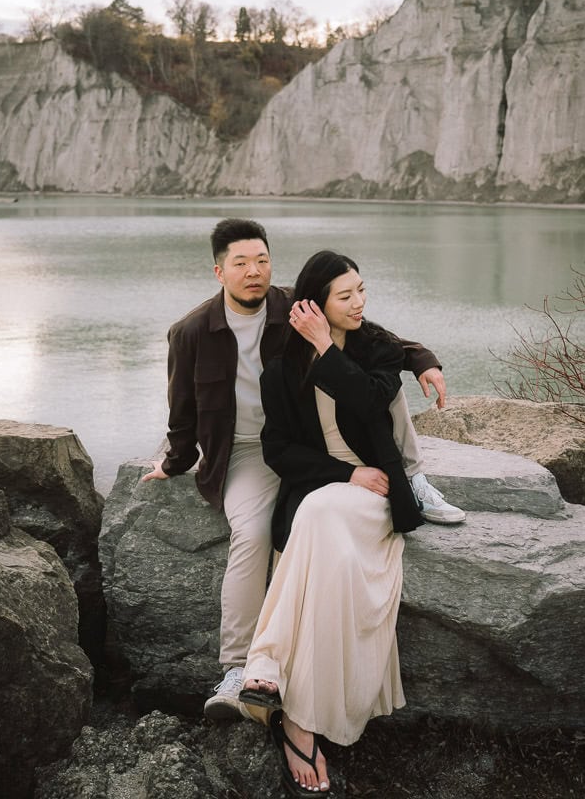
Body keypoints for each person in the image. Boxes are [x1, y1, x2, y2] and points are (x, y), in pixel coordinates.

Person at [142, 219, 464, 722]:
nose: (255, 272)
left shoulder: (297, 307)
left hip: (310, 444)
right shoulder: (190, 333)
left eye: (263, 260)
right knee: (252, 534)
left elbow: (373, 337)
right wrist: (174, 461)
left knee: (311, 519)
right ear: (219, 270)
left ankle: (414, 478)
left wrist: (423, 359)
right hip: (249, 451)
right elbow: (182, 410)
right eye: (241, 263)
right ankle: (236, 668)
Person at [239, 250, 428, 796]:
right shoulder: (280, 370)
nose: (359, 303)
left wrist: (327, 347)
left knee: (317, 514)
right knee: (319, 523)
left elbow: (372, 404)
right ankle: (291, 706)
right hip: (335, 488)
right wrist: (346, 473)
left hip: (379, 495)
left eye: (362, 291)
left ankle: (266, 663)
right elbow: (277, 449)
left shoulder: (376, 351)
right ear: (315, 305)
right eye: (346, 296)